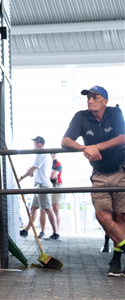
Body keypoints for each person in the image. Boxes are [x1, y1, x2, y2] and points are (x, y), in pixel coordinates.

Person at [62, 86, 125, 277]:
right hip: (99, 175)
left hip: (120, 172)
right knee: (103, 216)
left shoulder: (115, 113)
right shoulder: (81, 117)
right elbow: (65, 141)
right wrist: (84, 148)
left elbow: (122, 138)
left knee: (120, 218)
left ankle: (116, 261)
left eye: (94, 97)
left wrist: (97, 146)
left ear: (104, 101)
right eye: (88, 98)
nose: (90, 101)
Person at [18, 136, 60, 240]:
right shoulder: (44, 154)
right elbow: (36, 169)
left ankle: (56, 233)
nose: (33, 145)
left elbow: (33, 168)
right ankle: (26, 230)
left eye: (34, 143)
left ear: (39, 143)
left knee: (48, 209)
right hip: (38, 185)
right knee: (33, 208)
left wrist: (22, 177)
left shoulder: (41, 153)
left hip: (43, 185)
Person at [40, 153, 63, 236]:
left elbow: (52, 176)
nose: (52, 155)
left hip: (56, 186)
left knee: (55, 209)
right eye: (50, 153)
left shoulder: (58, 164)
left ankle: (56, 232)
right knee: (43, 208)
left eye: (54, 153)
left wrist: (44, 175)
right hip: (47, 186)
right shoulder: (46, 163)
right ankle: (43, 231)